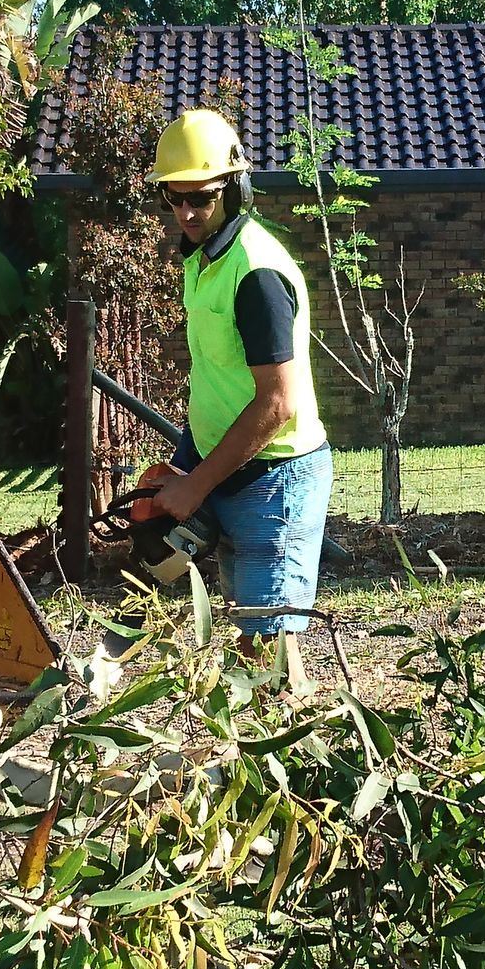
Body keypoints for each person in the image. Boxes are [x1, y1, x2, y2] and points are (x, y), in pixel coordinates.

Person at [144, 109, 331, 663]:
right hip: (221, 459)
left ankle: (297, 738)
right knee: (239, 629)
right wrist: (188, 457)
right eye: (174, 198)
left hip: (275, 475)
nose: (186, 212)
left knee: (266, 647)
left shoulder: (257, 275)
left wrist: (195, 485)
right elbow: (219, 372)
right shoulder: (204, 259)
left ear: (235, 187)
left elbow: (278, 403)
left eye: (199, 198)